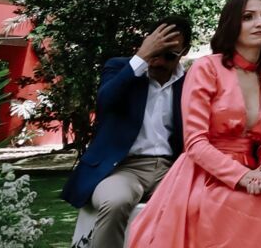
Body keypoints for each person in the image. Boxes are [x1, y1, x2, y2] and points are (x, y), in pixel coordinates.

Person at [126, 0, 261, 248]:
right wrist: (244, 177)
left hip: (254, 174)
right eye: (248, 17)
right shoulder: (206, 68)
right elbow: (196, 143)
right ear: (232, 24)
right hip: (204, 176)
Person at [63, 17, 191, 248]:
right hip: (124, 169)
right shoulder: (121, 68)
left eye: (170, 55)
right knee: (115, 202)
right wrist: (141, 57)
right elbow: (105, 102)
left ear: (185, 51)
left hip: (172, 170)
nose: (159, 61)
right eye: (156, 52)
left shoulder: (189, 81)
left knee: (198, 204)